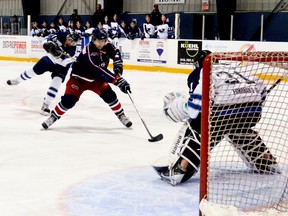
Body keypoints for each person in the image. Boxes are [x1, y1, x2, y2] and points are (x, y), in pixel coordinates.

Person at [153, 50, 281, 186]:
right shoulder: (234, 68)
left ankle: (180, 168)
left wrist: (186, 111)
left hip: (224, 111)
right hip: (253, 111)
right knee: (238, 126)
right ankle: (267, 161)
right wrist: (254, 107)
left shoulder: (200, 71)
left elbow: (197, 104)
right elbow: (260, 84)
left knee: (197, 125)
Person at [41, 29, 132, 129]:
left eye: (103, 41)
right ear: (93, 40)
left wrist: (118, 64)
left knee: (110, 96)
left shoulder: (107, 45)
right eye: (98, 41)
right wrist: (118, 81)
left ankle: (121, 115)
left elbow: (116, 52)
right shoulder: (90, 52)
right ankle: (53, 117)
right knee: (68, 101)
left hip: (96, 80)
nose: (101, 44)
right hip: (78, 80)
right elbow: (100, 69)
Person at [7, 32, 80, 116]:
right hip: (48, 60)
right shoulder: (60, 35)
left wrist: (55, 53)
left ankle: (46, 105)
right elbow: (46, 39)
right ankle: (17, 80)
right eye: (69, 40)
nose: (70, 42)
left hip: (61, 67)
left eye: (73, 42)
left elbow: (63, 62)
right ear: (67, 37)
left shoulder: (75, 51)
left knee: (56, 83)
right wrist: (47, 45)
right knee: (32, 72)